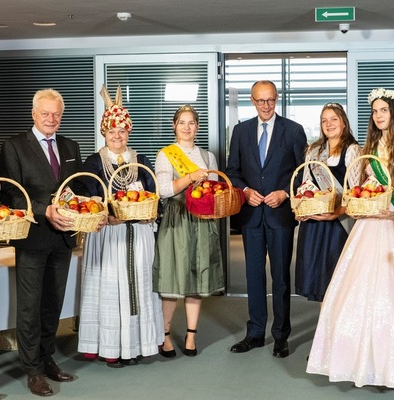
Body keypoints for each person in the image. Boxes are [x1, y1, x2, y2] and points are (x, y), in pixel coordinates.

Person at [307, 89, 394, 388]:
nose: (379, 116)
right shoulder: (370, 144)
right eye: (375, 111)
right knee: (356, 290)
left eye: (384, 110)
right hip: (370, 222)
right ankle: (361, 363)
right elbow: (366, 184)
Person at [0, 88, 93, 397]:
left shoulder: (70, 145)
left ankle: (46, 358)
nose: (51, 119)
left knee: (53, 304)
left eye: (56, 114)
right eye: (45, 113)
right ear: (33, 114)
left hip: (63, 238)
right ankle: (32, 370)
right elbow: (11, 194)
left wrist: (89, 204)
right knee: (30, 308)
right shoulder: (14, 146)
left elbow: (75, 187)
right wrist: (44, 211)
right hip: (32, 237)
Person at [77, 85, 163, 367]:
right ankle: (110, 346)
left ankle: (137, 344)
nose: (117, 135)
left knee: (139, 286)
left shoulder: (141, 161)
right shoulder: (93, 162)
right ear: (104, 132)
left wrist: (152, 213)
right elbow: (88, 198)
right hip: (108, 237)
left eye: (122, 130)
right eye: (112, 131)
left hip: (138, 235)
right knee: (110, 289)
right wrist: (105, 213)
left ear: (129, 132)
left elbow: (154, 197)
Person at [226, 80, 307, 358]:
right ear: (252, 100)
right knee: (253, 275)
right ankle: (255, 333)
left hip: (280, 215)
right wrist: (246, 191)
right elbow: (232, 171)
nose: (266, 106)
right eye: (261, 101)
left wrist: (285, 193)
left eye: (271, 100)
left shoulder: (294, 131)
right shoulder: (240, 131)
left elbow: (303, 174)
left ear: (277, 99)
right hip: (251, 216)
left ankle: (281, 335)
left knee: (281, 277)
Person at [153, 105, 224, 357]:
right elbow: (163, 190)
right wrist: (190, 177)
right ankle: (165, 334)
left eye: (191, 122)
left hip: (202, 220)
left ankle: (191, 334)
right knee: (172, 278)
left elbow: (215, 193)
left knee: (196, 278)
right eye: (182, 122)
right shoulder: (166, 154)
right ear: (175, 126)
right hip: (176, 219)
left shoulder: (208, 157)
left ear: (197, 126)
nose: (186, 127)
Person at [294, 102, 360, 302]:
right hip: (314, 223)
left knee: (338, 281)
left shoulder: (352, 150)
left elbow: (355, 192)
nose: (329, 124)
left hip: (338, 225)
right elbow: (305, 185)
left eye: (334, 119)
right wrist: (300, 207)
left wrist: (337, 212)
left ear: (343, 123)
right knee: (319, 281)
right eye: (324, 120)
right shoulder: (314, 151)